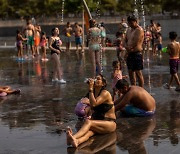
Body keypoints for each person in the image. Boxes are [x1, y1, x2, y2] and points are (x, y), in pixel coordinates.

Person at [66, 74, 116, 148]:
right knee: (89, 133)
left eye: (98, 79)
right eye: (95, 78)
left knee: (88, 122)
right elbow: (86, 104)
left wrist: (90, 89)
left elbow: (94, 104)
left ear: (103, 84)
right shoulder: (92, 93)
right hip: (98, 122)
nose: (96, 80)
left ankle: (73, 137)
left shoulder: (105, 93)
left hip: (109, 123)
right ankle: (76, 141)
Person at [123, 15, 144, 87]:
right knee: (130, 72)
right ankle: (133, 88)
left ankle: (141, 90)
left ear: (136, 21)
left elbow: (136, 42)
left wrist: (127, 51)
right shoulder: (129, 29)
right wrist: (126, 47)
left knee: (138, 72)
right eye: (129, 23)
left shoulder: (139, 30)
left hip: (136, 53)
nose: (130, 25)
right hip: (129, 53)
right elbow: (125, 39)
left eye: (132, 23)